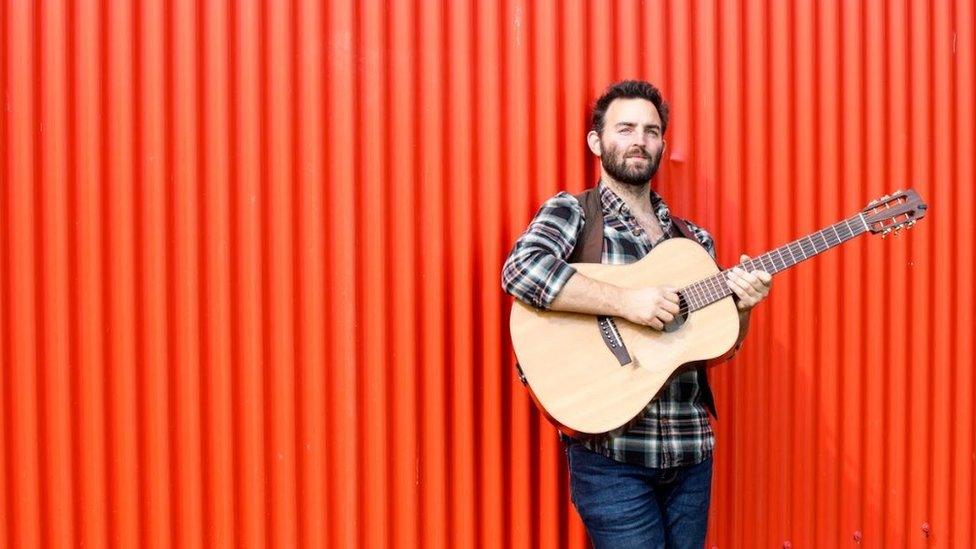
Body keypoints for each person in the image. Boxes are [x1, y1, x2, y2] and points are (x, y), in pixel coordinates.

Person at [500, 80, 772, 548]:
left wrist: (742, 308)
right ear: (597, 141)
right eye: (625, 128)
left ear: (662, 143)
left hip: (690, 453)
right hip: (611, 457)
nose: (639, 140)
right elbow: (521, 271)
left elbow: (720, 350)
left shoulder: (695, 242)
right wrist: (627, 302)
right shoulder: (574, 212)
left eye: (651, 130)